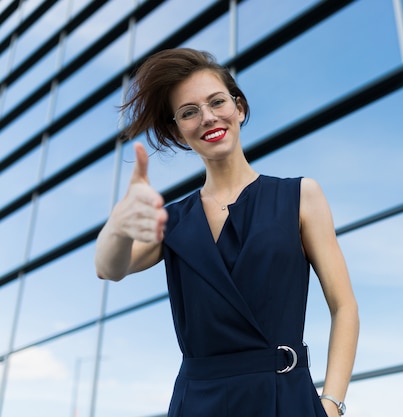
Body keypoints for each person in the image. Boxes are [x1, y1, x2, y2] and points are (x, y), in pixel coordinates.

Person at [94, 48, 359, 417]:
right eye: (189, 112)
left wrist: (331, 404)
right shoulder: (172, 221)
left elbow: (344, 306)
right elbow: (109, 267)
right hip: (198, 404)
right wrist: (118, 225)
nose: (207, 117)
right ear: (178, 131)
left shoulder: (301, 196)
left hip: (285, 397)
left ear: (240, 108)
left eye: (217, 102)